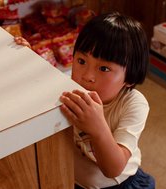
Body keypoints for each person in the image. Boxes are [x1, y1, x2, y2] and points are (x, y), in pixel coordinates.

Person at [15, 12, 155, 189]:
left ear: (130, 78)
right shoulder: (69, 87)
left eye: (104, 68)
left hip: (118, 184)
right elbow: (40, 85)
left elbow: (114, 169)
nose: (87, 76)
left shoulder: (133, 104)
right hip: (72, 179)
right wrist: (25, 60)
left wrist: (98, 129)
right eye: (81, 61)